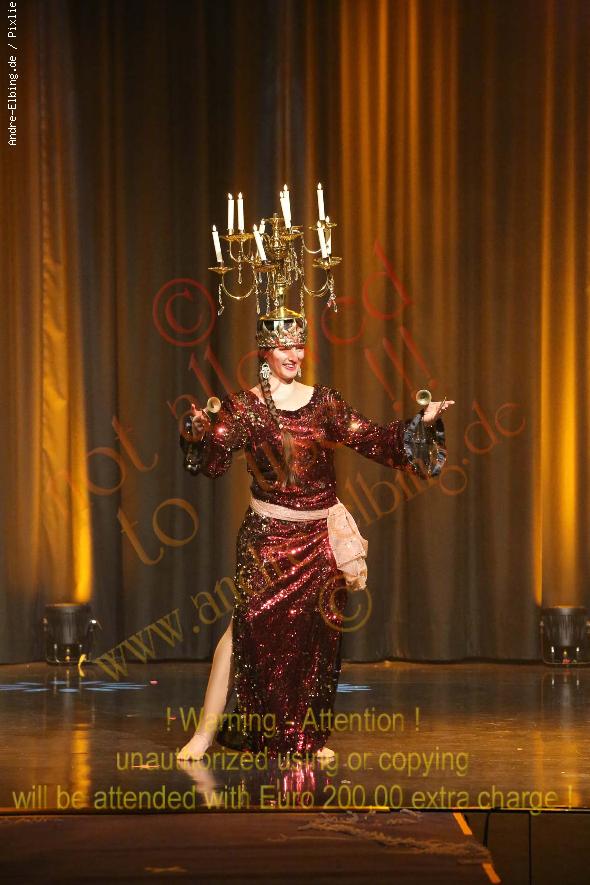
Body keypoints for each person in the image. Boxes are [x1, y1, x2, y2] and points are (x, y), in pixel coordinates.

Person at [177, 305, 453, 761]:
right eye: (283, 346)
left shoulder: (325, 402)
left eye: (299, 345)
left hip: (318, 540)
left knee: (315, 639)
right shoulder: (244, 407)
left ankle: (304, 736)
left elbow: (374, 439)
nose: (294, 354)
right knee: (243, 630)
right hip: (267, 541)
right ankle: (204, 735)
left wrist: (420, 424)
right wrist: (199, 433)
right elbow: (213, 459)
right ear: (265, 351)